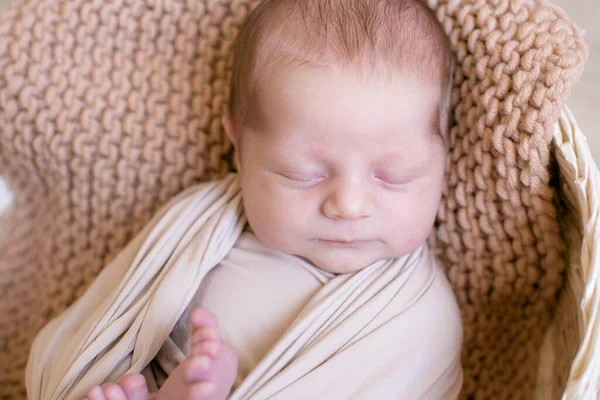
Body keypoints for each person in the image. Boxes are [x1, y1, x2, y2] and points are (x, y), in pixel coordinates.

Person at [78, 0, 462, 398]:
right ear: (239, 151)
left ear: (444, 158)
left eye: (394, 176)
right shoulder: (194, 232)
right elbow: (97, 337)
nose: (349, 205)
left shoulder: (421, 319)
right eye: (302, 174)